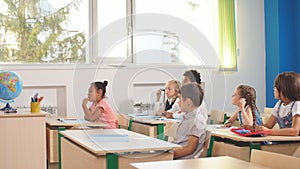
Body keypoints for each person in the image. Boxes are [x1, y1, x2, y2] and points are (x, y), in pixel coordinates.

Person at [256, 72, 300, 136]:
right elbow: (268, 125)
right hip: (283, 140)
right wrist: (255, 128)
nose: (274, 89)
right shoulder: (279, 104)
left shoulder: (296, 104)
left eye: (276, 87)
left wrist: (268, 131)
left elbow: (295, 131)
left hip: (294, 143)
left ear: (285, 90)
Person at [174, 82, 207, 159]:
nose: (178, 102)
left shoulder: (198, 121)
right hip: (178, 155)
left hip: (185, 161)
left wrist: (168, 155)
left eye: (180, 99)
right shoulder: (187, 117)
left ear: (188, 102)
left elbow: (189, 149)